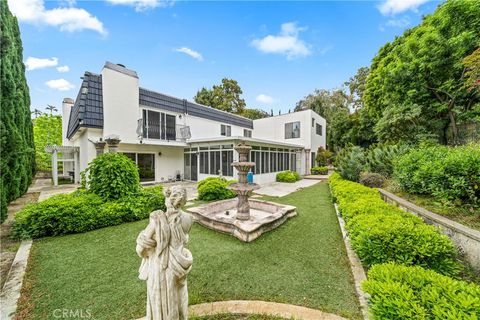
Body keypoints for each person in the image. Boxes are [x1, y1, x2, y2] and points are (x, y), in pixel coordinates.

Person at [136, 186, 193, 320]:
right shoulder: (189, 219)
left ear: (167, 199)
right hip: (177, 268)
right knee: (179, 302)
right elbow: (183, 239)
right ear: (183, 201)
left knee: (159, 307)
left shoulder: (156, 219)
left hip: (159, 269)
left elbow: (140, 249)